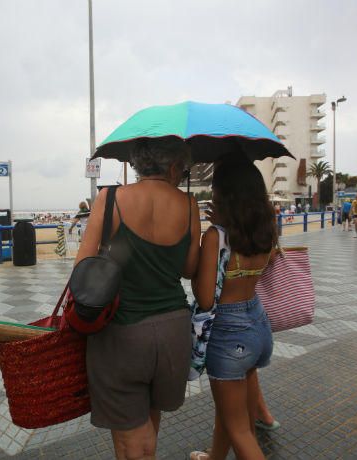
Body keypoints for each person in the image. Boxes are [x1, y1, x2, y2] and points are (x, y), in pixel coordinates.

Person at [75, 138, 200, 460]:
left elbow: (83, 268)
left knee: (134, 441)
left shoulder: (110, 197)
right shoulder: (190, 205)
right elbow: (189, 269)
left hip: (122, 333)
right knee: (147, 426)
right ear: (174, 166)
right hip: (173, 330)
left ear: (137, 163)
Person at [189, 158, 275, 460]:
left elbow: (205, 299)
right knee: (239, 418)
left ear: (224, 195)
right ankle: (215, 457)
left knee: (241, 432)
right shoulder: (268, 227)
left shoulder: (216, 236)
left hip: (229, 333)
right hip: (258, 325)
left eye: (215, 189)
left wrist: (201, 251)